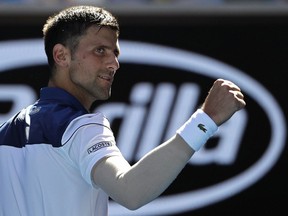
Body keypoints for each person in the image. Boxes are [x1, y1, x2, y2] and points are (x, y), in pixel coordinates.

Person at [0, 5, 246, 216]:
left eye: (115, 53)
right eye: (100, 51)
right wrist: (206, 120)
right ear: (61, 55)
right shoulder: (80, 126)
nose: (114, 63)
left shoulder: (5, 132)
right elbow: (131, 191)